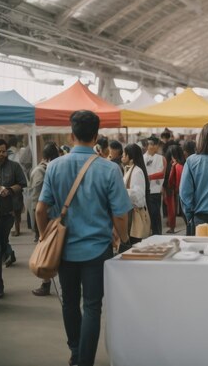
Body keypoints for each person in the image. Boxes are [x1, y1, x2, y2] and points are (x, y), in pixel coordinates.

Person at [36, 110, 131, 366]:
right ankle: (85, 361)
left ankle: (75, 352)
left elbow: (40, 209)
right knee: (92, 306)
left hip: (63, 249)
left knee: (69, 301)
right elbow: (121, 214)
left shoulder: (54, 166)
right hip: (97, 249)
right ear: (97, 136)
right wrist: (122, 237)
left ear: (71, 134)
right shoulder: (110, 169)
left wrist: (46, 237)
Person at [0, 138, 27, 298]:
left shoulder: (14, 166)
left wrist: (9, 190)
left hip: (6, 216)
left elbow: (23, 183)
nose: (2, 154)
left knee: (0, 249)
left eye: (4, 151)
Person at [29, 142, 61, 297]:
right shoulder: (60, 167)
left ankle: (46, 283)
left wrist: (39, 229)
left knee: (48, 252)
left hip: (47, 218)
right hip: (59, 217)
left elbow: (37, 202)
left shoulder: (40, 170)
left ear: (44, 156)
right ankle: (48, 283)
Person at [122, 143, 150, 245]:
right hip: (130, 212)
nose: (123, 156)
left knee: (134, 243)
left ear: (131, 157)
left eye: (125, 154)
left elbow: (138, 196)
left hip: (134, 214)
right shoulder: (131, 169)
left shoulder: (137, 171)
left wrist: (121, 191)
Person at [144, 136, 166, 235]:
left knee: (155, 215)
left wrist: (149, 177)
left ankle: (157, 235)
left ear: (157, 146)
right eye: (149, 144)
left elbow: (162, 174)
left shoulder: (161, 158)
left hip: (155, 191)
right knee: (147, 216)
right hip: (144, 191)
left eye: (153, 144)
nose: (151, 146)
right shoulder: (142, 157)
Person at [165, 145, 184, 234]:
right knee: (172, 209)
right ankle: (171, 226)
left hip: (173, 190)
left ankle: (172, 227)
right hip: (173, 190)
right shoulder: (178, 165)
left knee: (172, 209)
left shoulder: (177, 165)